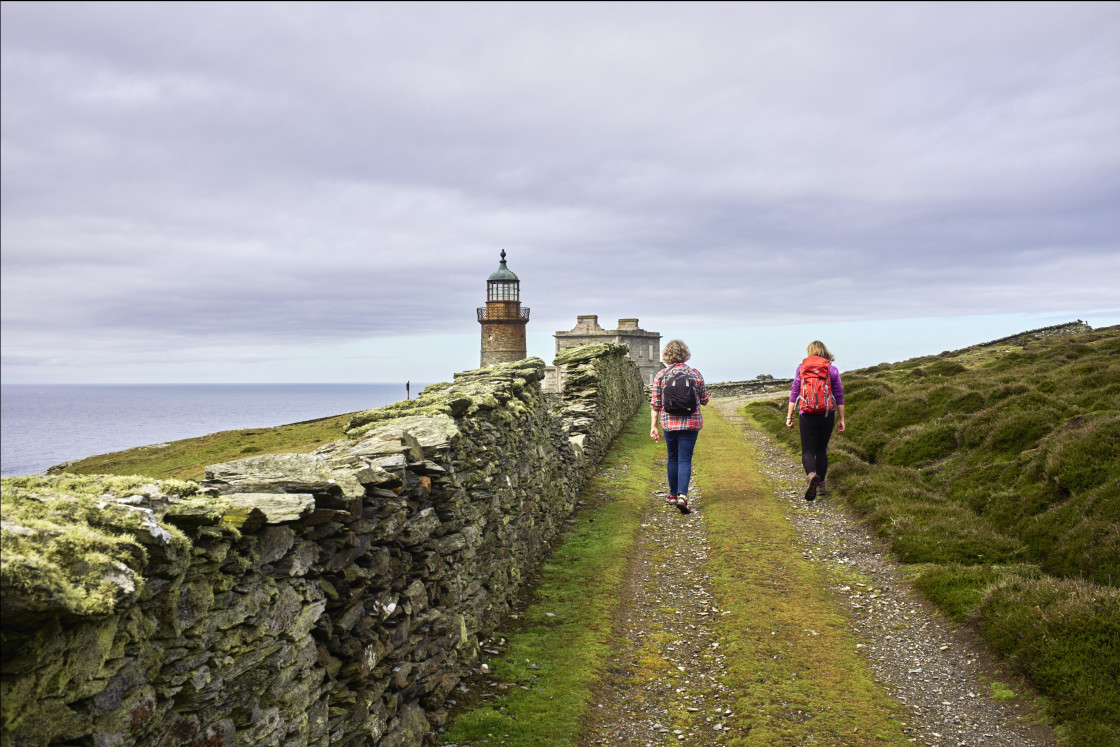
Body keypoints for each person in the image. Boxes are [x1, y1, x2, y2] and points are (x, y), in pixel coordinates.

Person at [650, 339, 710, 514]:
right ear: (685, 354)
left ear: (667, 356)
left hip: (669, 423)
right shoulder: (695, 374)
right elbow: (705, 400)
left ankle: (672, 495)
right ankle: (683, 496)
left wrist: (653, 426)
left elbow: (656, 404)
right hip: (691, 423)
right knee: (685, 458)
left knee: (672, 457)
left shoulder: (661, 375)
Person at [786, 340, 846, 501]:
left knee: (807, 451)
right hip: (827, 414)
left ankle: (811, 475)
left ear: (810, 352)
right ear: (825, 352)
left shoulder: (802, 368)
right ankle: (821, 486)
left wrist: (789, 416)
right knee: (821, 451)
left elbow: (794, 393)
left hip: (806, 414)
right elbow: (839, 395)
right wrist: (842, 419)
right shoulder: (832, 370)